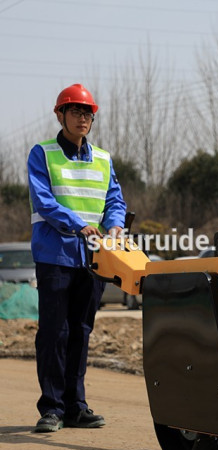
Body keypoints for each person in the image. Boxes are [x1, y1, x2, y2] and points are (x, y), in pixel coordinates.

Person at [27, 83, 127, 432]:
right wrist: (79, 225)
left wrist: (114, 226)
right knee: (55, 331)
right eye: (75, 111)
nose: (82, 118)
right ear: (60, 114)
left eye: (87, 113)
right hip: (55, 255)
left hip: (94, 258)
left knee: (81, 332)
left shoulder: (103, 158)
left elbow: (115, 200)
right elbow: (44, 202)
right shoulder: (42, 153)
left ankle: (76, 406)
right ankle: (52, 408)